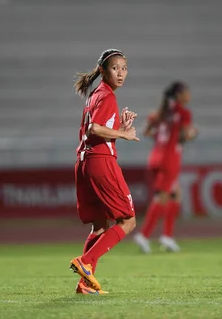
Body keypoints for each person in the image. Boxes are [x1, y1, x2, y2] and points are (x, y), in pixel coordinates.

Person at [69, 49, 139, 295]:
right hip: (101, 163)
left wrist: (119, 127)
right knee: (128, 221)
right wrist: (124, 134)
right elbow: (95, 129)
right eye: (115, 68)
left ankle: (84, 285)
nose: (120, 73)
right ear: (102, 70)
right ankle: (84, 262)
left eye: (124, 68)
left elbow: (94, 132)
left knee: (99, 227)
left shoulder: (95, 95)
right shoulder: (107, 96)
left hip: (85, 162)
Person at [133, 81, 197, 253]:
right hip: (170, 159)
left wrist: (163, 137)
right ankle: (144, 235)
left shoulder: (159, 113)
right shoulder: (183, 113)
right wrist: (193, 133)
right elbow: (188, 134)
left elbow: (146, 132)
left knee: (175, 195)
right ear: (179, 95)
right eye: (186, 92)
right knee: (161, 197)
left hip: (155, 157)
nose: (189, 95)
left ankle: (167, 237)